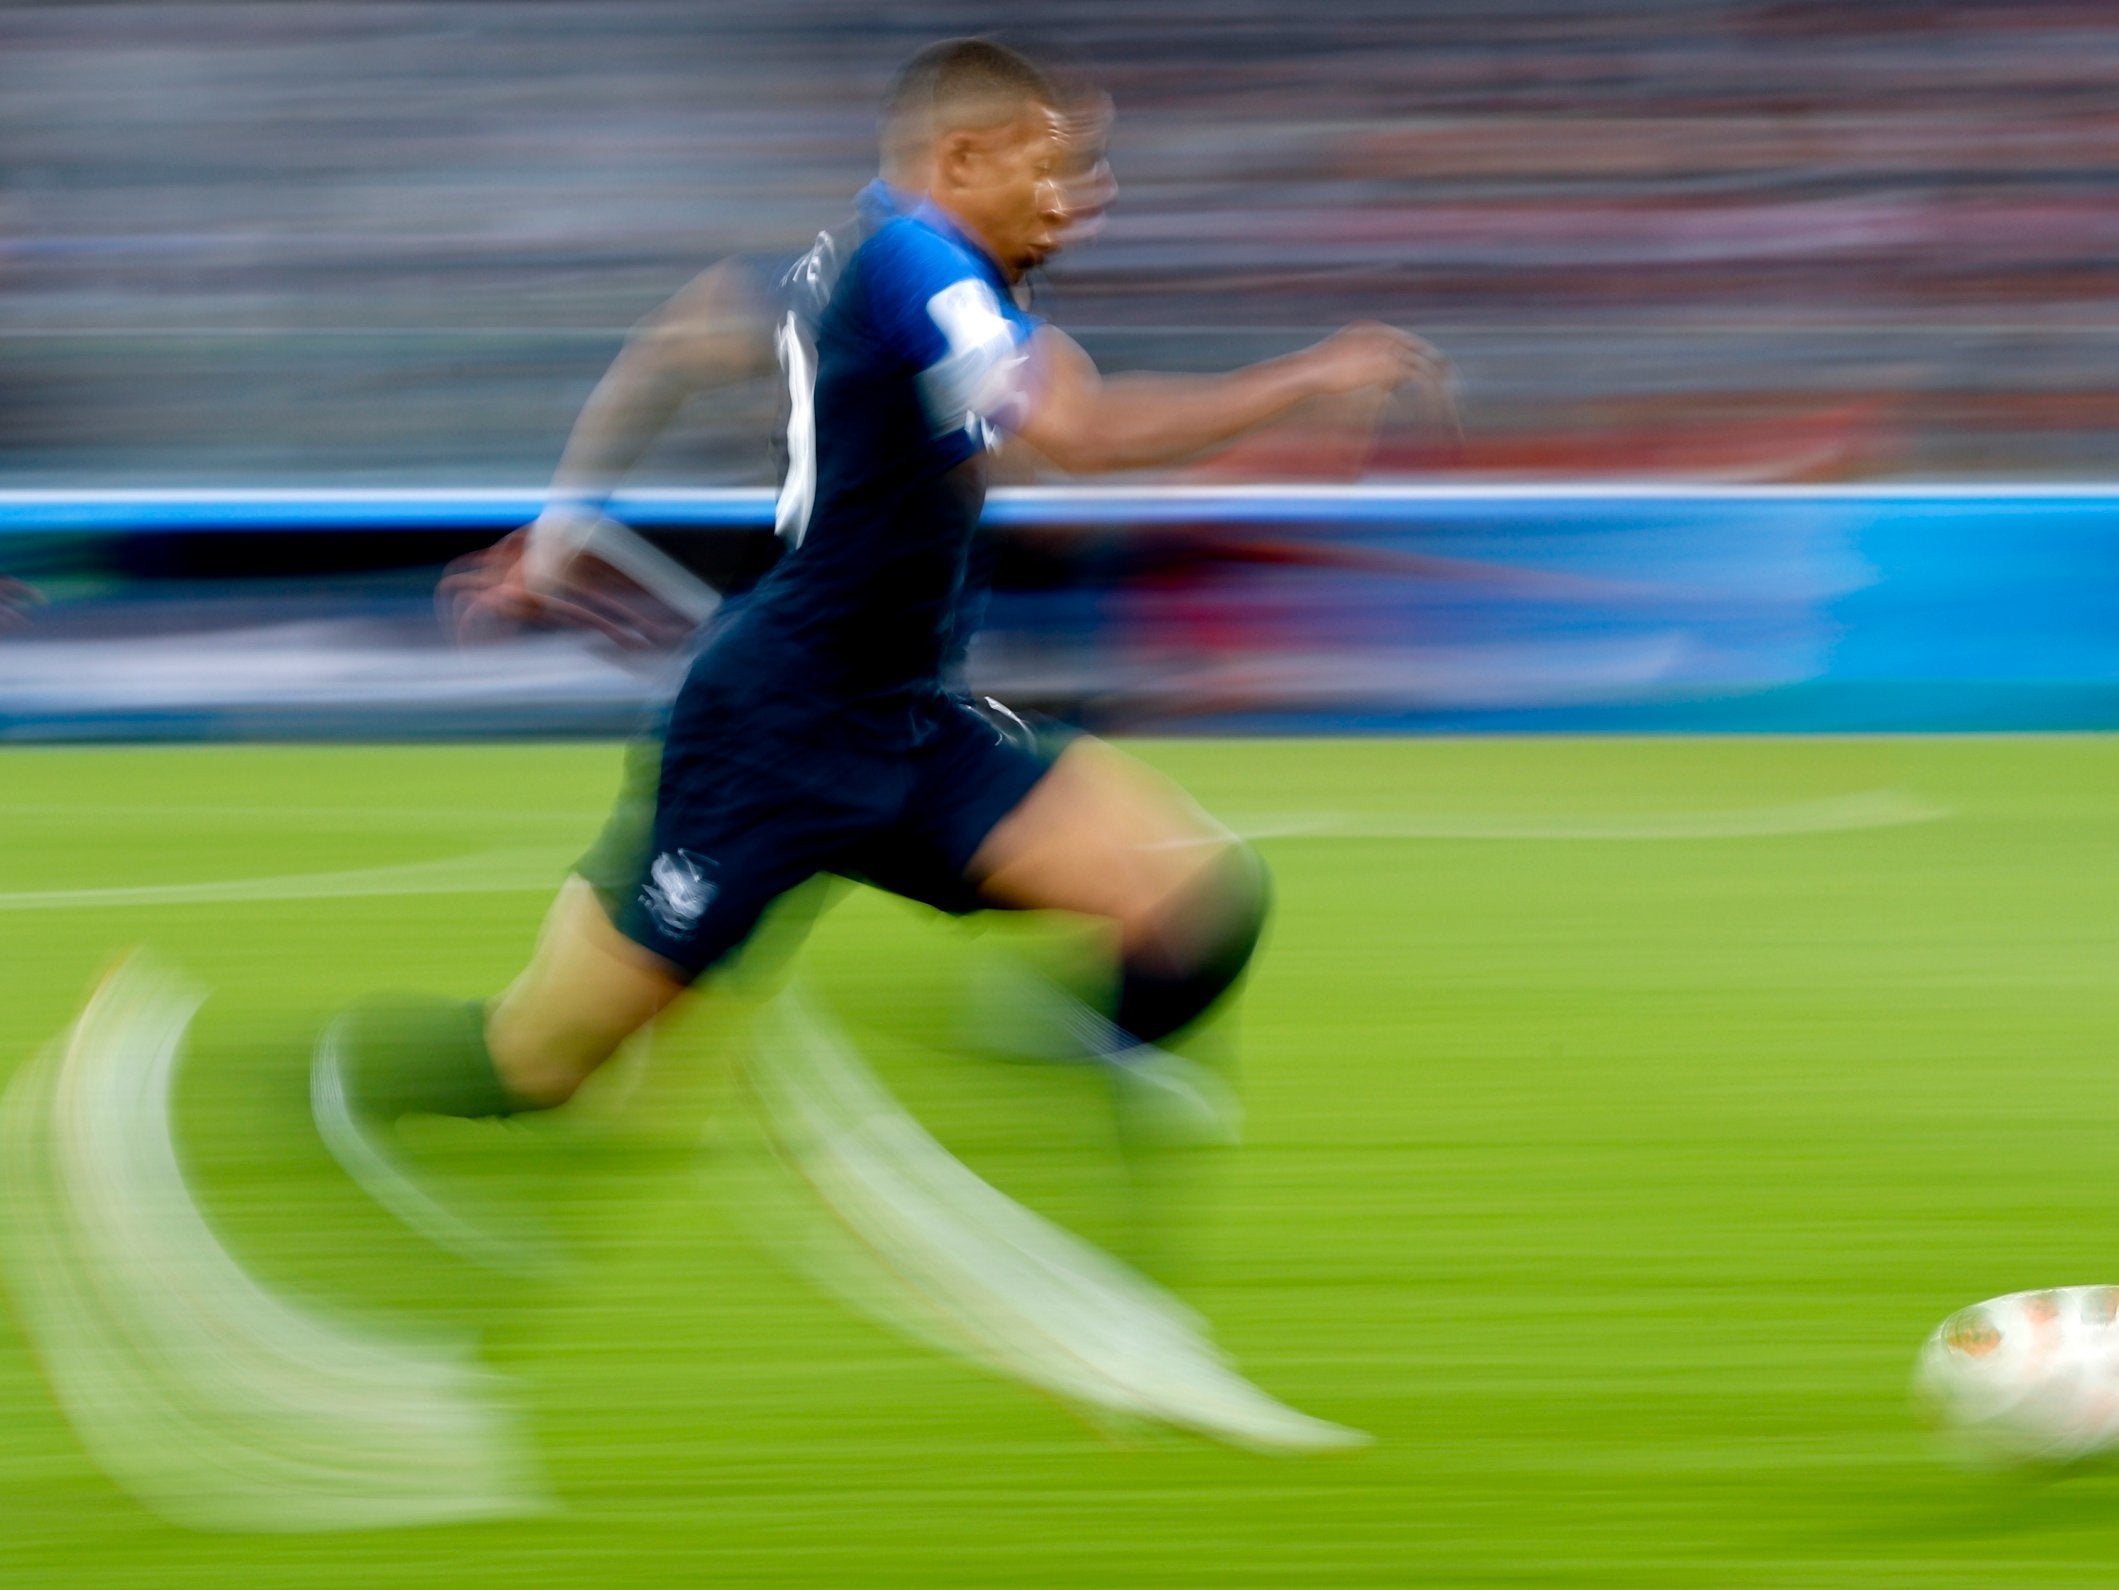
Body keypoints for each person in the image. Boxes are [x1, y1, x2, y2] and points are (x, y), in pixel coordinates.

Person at [315, 39, 1442, 1256]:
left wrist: (562, 525)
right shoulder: (921, 261)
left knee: (1184, 900)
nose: (1084, 194)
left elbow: (680, 337)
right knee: (540, 1063)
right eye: (1054, 163)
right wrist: (1311, 372)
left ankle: (1066, 1179)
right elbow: (1080, 430)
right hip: (769, 740)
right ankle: (330, 1094)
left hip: (904, 722)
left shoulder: (849, 264)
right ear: (960, 157)